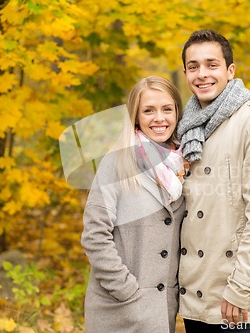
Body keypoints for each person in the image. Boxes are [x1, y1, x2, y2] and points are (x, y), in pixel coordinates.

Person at [177, 30, 250, 333]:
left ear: (230, 71)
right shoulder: (186, 129)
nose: (202, 74)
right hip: (194, 292)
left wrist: (240, 287)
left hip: (236, 297)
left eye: (211, 65)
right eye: (193, 66)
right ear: (186, 73)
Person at [81, 76, 188, 333]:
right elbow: (95, 236)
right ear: (135, 117)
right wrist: (127, 290)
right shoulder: (116, 163)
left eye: (167, 109)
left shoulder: (183, 164)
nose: (159, 118)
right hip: (120, 310)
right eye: (148, 110)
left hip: (163, 310)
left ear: (177, 112)